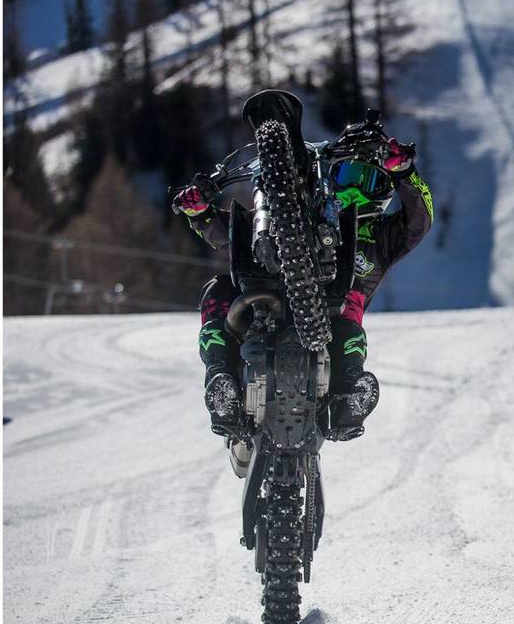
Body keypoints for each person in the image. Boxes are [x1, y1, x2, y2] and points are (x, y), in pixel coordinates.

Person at [171, 90, 434, 448]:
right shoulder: (309, 212)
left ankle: (348, 394)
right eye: (350, 175)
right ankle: (221, 382)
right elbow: (235, 235)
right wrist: (200, 211)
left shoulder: (381, 234)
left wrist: (404, 172)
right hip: (264, 300)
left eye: (369, 181)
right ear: (331, 176)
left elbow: (420, 220)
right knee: (218, 289)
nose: (356, 189)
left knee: (351, 309)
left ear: (383, 194)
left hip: (333, 318)